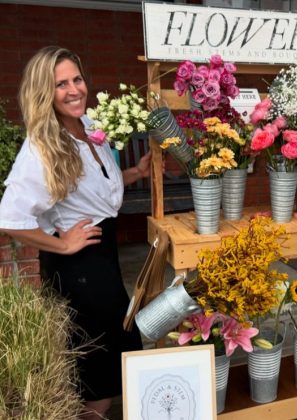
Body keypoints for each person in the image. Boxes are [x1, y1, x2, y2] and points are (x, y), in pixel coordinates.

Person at [0, 46, 150, 419]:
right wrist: (63, 245)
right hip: (79, 267)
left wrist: (135, 174)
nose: (73, 90)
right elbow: (10, 218)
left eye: (77, 79)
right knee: (99, 370)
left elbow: (92, 190)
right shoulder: (43, 146)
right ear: (44, 93)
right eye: (60, 84)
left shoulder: (88, 126)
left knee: (113, 357)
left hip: (102, 258)